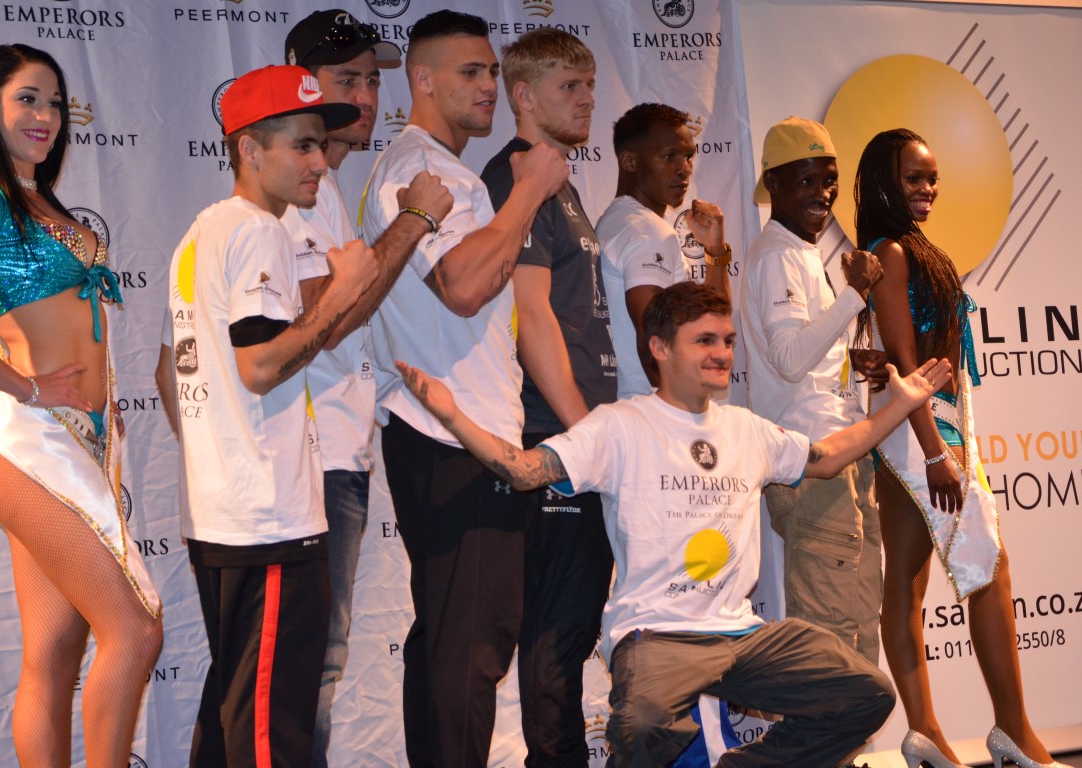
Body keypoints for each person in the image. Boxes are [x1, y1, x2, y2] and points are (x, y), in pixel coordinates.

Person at [393, 281, 961, 768]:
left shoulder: (746, 428)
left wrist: (903, 403)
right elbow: (523, 471)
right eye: (705, 341)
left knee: (866, 693)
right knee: (642, 726)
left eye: (727, 341)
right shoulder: (619, 426)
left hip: (742, 634)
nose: (722, 354)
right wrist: (452, 415)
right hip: (657, 634)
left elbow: (828, 456)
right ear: (660, 348)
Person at [0, 44, 162, 767]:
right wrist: (27, 387)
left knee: (54, 653)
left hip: (81, 441)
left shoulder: (41, 200)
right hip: (27, 440)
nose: (46, 116)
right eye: (27, 98)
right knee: (135, 630)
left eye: (54, 102)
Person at [359, 10, 567, 767]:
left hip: (454, 433)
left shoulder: (433, 167)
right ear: (422, 80)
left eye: (491, 72)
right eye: (470, 72)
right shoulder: (429, 171)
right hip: (451, 437)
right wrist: (528, 191)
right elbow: (463, 286)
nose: (489, 87)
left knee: (455, 638)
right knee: (470, 643)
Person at [163, 64, 376, 767]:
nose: (320, 162)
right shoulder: (258, 232)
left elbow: (170, 371)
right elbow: (259, 367)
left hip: (226, 513)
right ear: (250, 149)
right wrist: (342, 289)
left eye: (321, 144)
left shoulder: (201, 232)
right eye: (303, 145)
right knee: (268, 732)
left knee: (235, 713)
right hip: (268, 522)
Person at [855, 128, 1065, 768]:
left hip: (927, 427)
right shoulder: (891, 252)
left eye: (933, 178)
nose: (928, 189)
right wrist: (936, 454)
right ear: (885, 182)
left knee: (909, 580)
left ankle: (926, 734)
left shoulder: (905, 249)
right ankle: (1015, 733)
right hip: (924, 432)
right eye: (914, 178)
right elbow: (905, 362)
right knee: (987, 567)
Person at [281, 11, 452, 765]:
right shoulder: (297, 189)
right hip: (310, 456)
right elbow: (330, 319)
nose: (366, 96)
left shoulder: (324, 187)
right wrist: (413, 220)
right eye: (345, 79)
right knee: (303, 663)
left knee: (308, 661)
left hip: (333, 452)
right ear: (302, 84)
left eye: (373, 80)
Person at [479, 28, 615, 767]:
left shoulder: (560, 182)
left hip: (572, 434)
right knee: (556, 631)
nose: (587, 99)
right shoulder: (517, 176)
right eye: (570, 86)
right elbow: (530, 316)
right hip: (552, 435)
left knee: (571, 625)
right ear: (523, 95)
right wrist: (585, 434)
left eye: (590, 84)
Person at [741, 116, 885, 662]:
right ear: (773, 184)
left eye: (829, 180)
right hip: (814, 463)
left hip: (842, 453)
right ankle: (825, 727)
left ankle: (850, 727)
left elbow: (806, 353)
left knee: (857, 624)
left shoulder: (800, 251)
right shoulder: (777, 254)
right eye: (806, 180)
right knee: (830, 633)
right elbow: (789, 360)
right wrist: (854, 294)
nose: (822, 193)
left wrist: (851, 358)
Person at [596, 102, 733, 399]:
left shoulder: (616, 220)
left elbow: (713, 320)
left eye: (688, 156)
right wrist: (679, 408)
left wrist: (715, 251)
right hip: (650, 407)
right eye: (669, 156)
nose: (684, 169)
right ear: (629, 161)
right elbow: (651, 333)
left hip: (635, 406)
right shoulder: (646, 230)